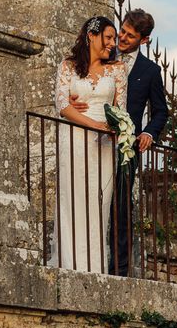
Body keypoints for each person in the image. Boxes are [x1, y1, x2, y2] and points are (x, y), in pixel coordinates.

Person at [70, 8, 168, 276]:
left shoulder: (150, 71)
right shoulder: (103, 54)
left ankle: (119, 271)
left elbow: (161, 111)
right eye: (122, 31)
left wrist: (148, 133)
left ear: (144, 40)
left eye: (130, 35)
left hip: (126, 148)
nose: (122, 39)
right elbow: (80, 82)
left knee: (121, 207)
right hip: (92, 139)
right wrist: (71, 101)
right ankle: (86, 259)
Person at [53, 15, 127, 273]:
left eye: (113, 39)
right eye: (107, 38)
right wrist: (92, 124)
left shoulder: (118, 70)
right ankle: (70, 267)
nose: (112, 43)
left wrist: (116, 130)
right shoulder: (68, 66)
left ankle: (95, 270)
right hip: (74, 138)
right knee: (73, 200)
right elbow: (62, 105)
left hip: (104, 145)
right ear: (91, 36)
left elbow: (121, 110)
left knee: (98, 205)